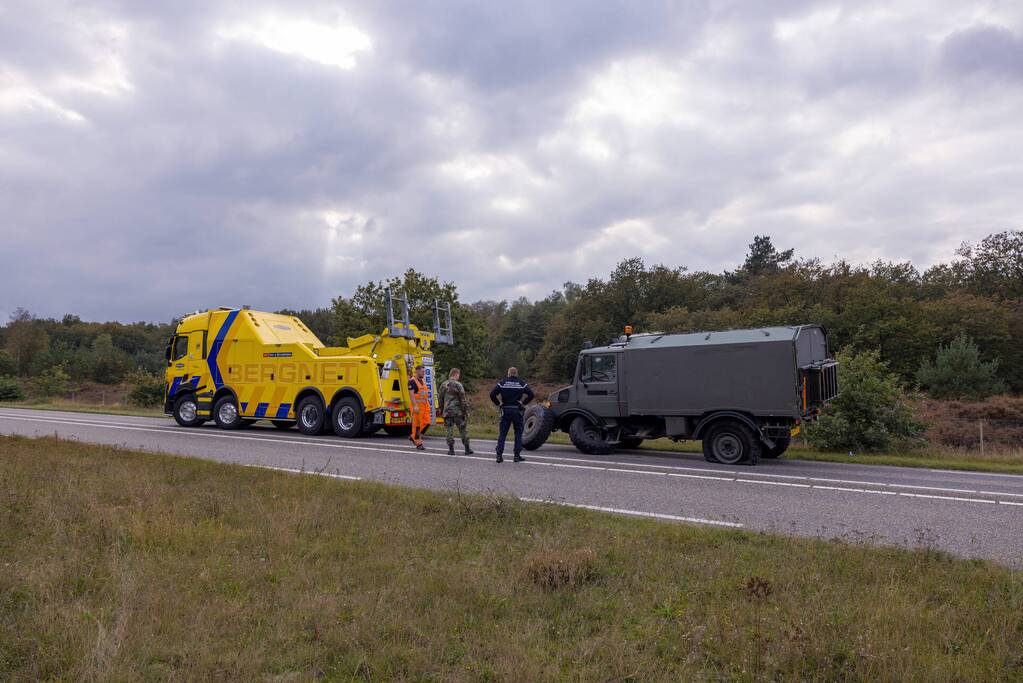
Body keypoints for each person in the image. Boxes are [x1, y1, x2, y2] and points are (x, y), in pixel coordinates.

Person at [489, 367, 534, 463]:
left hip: (505, 410)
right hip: (517, 410)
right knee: (518, 433)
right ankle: (517, 456)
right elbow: (531, 394)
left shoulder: (502, 383)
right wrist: (523, 403)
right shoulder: (521, 383)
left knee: (503, 433)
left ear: (508, 373)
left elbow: (492, 394)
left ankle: (499, 456)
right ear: (516, 373)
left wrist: (498, 404)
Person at [439, 367, 473, 455]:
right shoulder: (458, 385)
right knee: (463, 429)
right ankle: (467, 449)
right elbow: (463, 400)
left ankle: (451, 450)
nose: (459, 376)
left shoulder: (443, 385)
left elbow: (440, 399)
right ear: (456, 374)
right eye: (459, 375)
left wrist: (441, 410)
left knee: (449, 431)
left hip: (447, 412)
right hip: (458, 412)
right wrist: (466, 411)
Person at [408, 364, 431, 450]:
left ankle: (413, 436)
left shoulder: (422, 381)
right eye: (422, 371)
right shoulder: (412, 381)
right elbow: (411, 395)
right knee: (417, 426)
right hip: (417, 407)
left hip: (425, 406)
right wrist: (415, 406)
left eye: (424, 371)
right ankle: (418, 443)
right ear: (417, 371)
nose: (424, 373)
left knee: (427, 422)